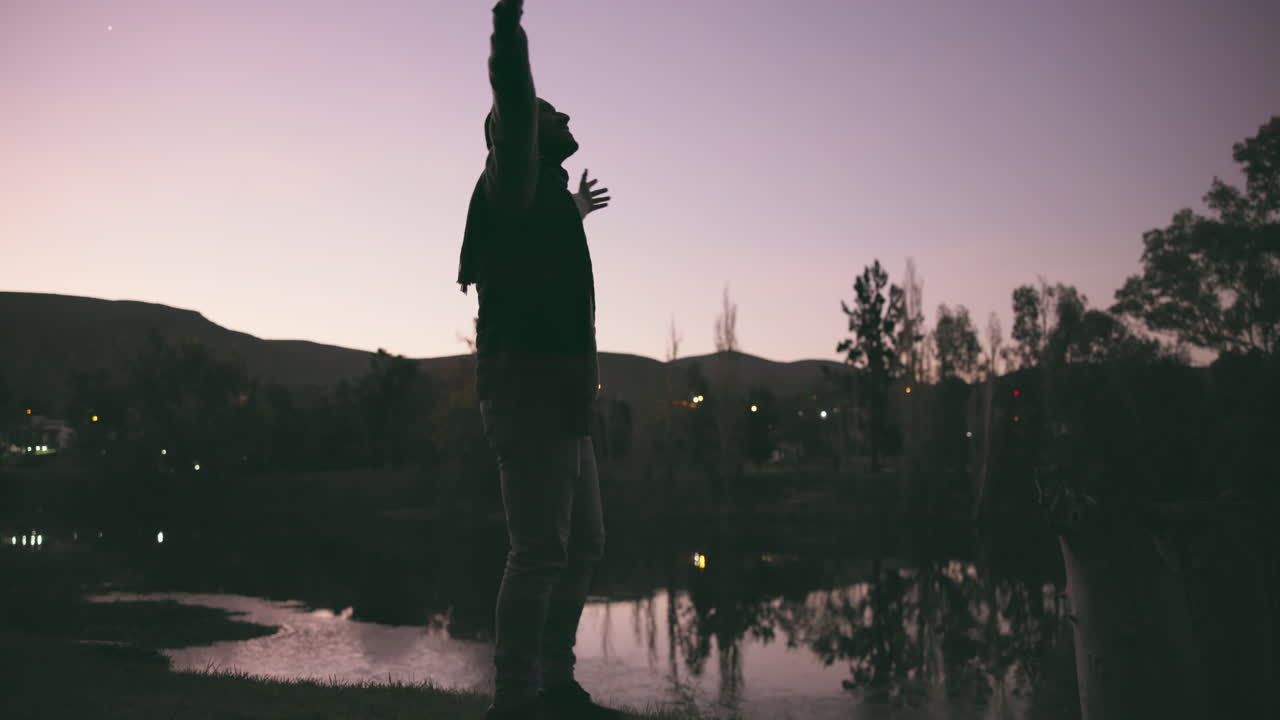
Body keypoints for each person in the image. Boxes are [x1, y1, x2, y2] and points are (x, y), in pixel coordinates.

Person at [456, 1, 619, 718]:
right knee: (540, 551)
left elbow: (533, 262)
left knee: (585, 543)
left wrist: (575, 215)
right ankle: (517, 698)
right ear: (520, 136)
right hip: (527, 397)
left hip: (564, 397)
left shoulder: (539, 202)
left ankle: (554, 680)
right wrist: (508, 27)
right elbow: (515, 99)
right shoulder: (512, 180)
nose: (557, 116)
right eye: (546, 113)